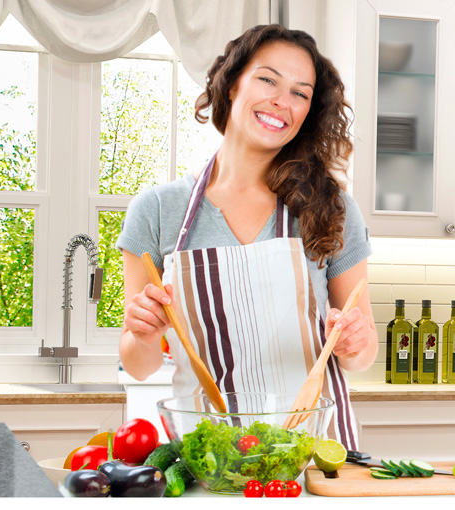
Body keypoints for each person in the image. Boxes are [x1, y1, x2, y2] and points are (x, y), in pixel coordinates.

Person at [116, 25, 375, 450]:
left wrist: (354, 343)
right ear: (233, 83)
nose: (282, 101)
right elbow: (138, 364)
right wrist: (142, 333)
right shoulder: (159, 209)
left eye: (300, 93)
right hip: (209, 456)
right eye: (268, 79)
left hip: (312, 456)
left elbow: (361, 356)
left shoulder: (332, 208)